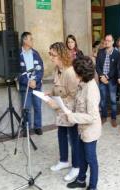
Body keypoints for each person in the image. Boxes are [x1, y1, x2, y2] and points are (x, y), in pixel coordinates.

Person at [66, 56, 102, 190]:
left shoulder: (91, 89)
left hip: (90, 131)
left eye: (75, 71)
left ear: (81, 73)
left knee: (91, 159)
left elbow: (92, 116)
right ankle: (81, 180)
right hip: (82, 129)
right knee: (81, 156)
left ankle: (93, 186)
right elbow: (77, 103)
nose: (74, 73)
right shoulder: (83, 83)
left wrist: (72, 117)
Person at [46, 42, 80, 182]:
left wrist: (57, 104)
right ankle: (64, 160)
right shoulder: (57, 70)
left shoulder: (70, 72)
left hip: (69, 111)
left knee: (73, 139)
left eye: (53, 55)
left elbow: (74, 96)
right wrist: (50, 93)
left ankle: (77, 166)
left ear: (60, 55)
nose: (51, 57)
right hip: (60, 111)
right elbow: (58, 88)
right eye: (50, 54)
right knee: (61, 134)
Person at [18, 31, 44, 136]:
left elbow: (41, 69)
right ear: (24, 40)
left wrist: (35, 80)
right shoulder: (18, 55)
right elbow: (17, 72)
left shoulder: (36, 53)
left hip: (36, 85)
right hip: (25, 86)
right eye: (31, 39)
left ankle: (38, 127)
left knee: (37, 106)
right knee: (26, 108)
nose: (32, 41)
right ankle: (26, 128)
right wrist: (27, 82)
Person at [95, 34, 120, 127]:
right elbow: (97, 65)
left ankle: (113, 118)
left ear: (113, 42)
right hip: (102, 79)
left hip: (112, 80)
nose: (107, 42)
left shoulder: (117, 53)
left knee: (113, 100)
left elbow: (115, 69)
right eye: (106, 40)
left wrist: (107, 76)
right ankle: (104, 116)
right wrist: (101, 76)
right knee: (103, 100)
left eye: (109, 41)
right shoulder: (100, 51)